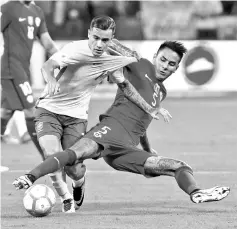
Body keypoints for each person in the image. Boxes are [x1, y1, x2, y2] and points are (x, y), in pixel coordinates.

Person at [13, 41, 230, 207]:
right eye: (163, 60)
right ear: (155, 57)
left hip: (127, 149)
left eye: (171, 64)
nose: (165, 66)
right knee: (73, 155)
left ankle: (196, 193)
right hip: (110, 130)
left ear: (176, 68)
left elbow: (143, 123)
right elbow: (111, 43)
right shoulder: (141, 64)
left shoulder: (161, 92)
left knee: (178, 166)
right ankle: (31, 176)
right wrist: (108, 43)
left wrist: (147, 149)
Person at [23, 15, 162, 213]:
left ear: (112, 39)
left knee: (73, 168)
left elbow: (126, 87)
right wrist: (51, 80)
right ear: (89, 34)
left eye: (105, 40)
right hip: (49, 110)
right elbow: (47, 66)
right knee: (51, 151)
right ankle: (65, 197)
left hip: (76, 117)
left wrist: (148, 108)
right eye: (95, 37)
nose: (98, 44)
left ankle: (79, 183)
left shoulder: (111, 61)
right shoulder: (74, 49)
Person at [1, 0, 58, 156]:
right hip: (11, 67)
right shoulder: (8, 8)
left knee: (5, 112)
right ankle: (47, 157)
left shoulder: (37, 11)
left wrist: (64, 59)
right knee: (31, 111)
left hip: (23, 68)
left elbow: (47, 42)